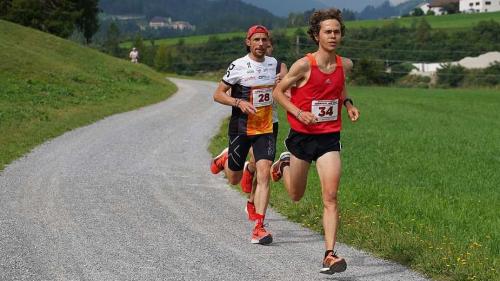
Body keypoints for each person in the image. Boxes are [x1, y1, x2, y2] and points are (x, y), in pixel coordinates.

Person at [271, 8, 360, 274]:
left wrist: (348, 103)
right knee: (296, 195)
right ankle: (284, 164)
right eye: (328, 31)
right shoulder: (303, 65)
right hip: (301, 137)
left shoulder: (345, 65)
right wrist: (298, 112)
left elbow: (339, 85)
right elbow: (278, 92)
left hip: (329, 138)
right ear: (316, 35)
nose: (333, 36)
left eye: (337, 31)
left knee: (331, 196)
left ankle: (329, 254)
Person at [211, 25, 277, 245]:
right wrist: (238, 102)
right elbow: (218, 94)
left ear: (268, 42)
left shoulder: (274, 64)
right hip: (241, 128)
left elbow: (285, 83)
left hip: (267, 127)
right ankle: (226, 158)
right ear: (248, 42)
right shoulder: (238, 65)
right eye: (256, 39)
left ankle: (259, 226)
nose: (260, 43)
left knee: (264, 173)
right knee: (234, 178)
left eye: (264, 40)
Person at [241, 38, 290, 221]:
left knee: (263, 166)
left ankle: (252, 201)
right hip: (248, 121)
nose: (265, 48)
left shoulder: (279, 66)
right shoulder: (247, 65)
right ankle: (247, 168)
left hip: (270, 122)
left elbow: (287, 80)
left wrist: (283, 80)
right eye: (262, 44)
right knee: (255, 161)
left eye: (269, 45)